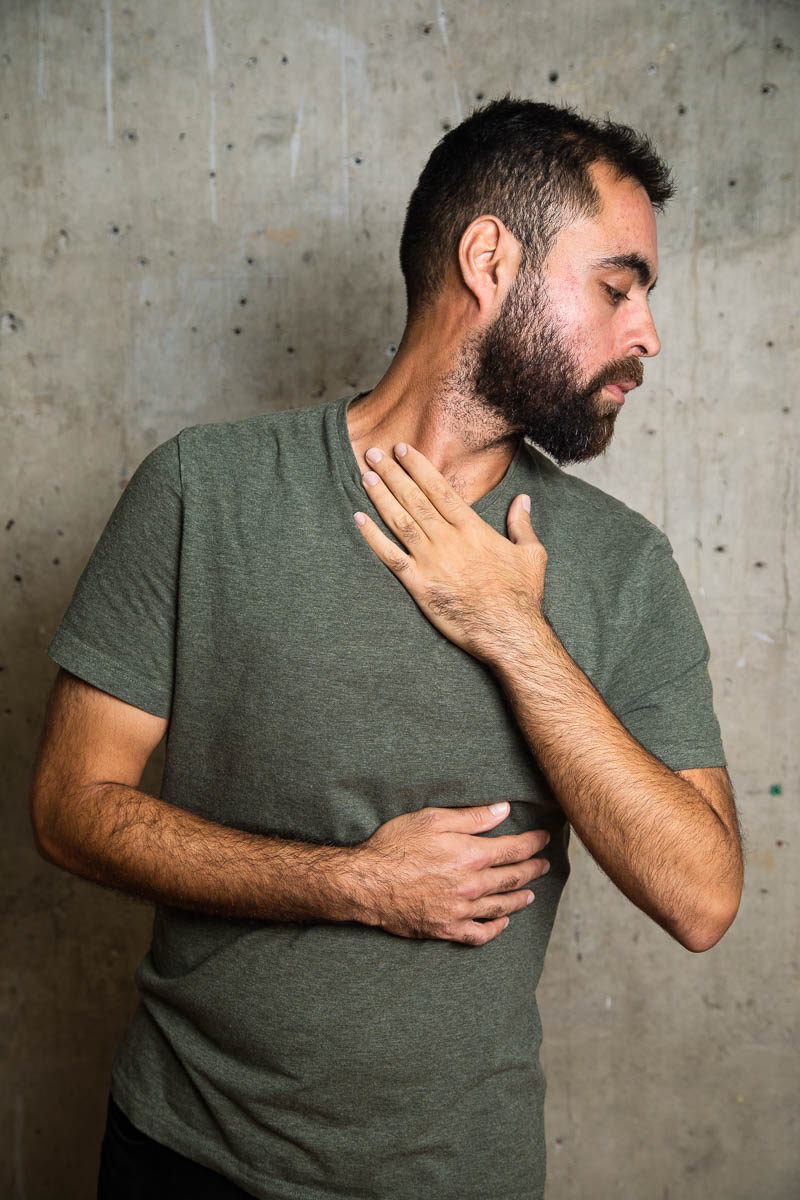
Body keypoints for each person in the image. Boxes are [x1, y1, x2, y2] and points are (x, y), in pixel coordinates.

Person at [31, 98, 743, 1200]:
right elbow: (71, 808)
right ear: (489, 258)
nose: (645, 332)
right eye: (616, 285)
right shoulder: (202, 493)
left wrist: (514, 633)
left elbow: (701, 896)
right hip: (183, 1153)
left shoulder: (620, 566)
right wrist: (357, 886)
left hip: (453, 1177)